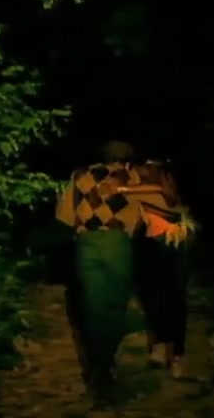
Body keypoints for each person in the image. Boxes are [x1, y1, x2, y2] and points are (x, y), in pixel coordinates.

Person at [55, 140, 164, 405]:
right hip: (117, 244)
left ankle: (97, 370)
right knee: (114, 307)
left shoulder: (80, 176)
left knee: (92, 306)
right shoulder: (132, 177)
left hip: (87, 244)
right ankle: (105, 368)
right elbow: (156, 207)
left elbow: (65, 216)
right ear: (126, 158)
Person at [126, 158, 197, 379]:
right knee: (151, 295)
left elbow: (170, 197)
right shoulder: (130, 177)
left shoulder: (166, 176)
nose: (141, 171)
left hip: (174, 239)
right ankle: (159, 343)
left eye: (146, 166)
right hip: (149, 240)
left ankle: (177, 354)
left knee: (175, 296)